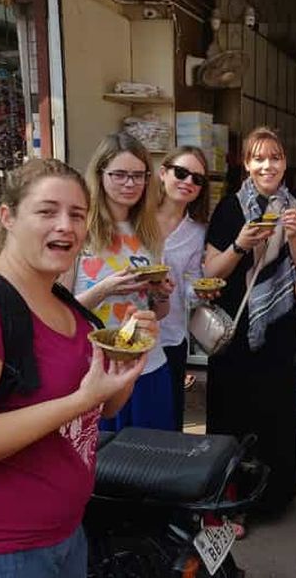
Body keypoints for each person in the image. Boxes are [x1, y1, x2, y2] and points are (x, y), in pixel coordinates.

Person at [0, 159, 152, 577]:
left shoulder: (66, 306)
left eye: (77, 215)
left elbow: (104, 410)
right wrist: (79, 399)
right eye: (47, 212)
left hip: (63, 538)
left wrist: (125, 359)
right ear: (8, 218)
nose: (65, 225)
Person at [204, 126, 296, 525]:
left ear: (285, 162)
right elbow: (211, 272)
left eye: (276, 157)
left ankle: (274, 497)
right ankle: (228, 501)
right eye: (259, 157)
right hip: (234, 329)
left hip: (280, 327)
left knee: (275, 414)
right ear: (247, 164)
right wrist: (240, 245)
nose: (268, 165)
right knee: (232, 413)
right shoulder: (230, 208)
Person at [65, 132, 174, 431]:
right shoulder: (78, 230)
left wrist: (161, 294)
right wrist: (105, 289)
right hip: (94, 372)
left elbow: (158, 313)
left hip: (148, 365)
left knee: (153, 466)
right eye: (120, 175)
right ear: (100, 175)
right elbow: (58, 312)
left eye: (138, 176)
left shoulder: (150, 233)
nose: (130, 184)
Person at [155, 146, 210, 431]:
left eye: (197, 179)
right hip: (125, 332)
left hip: (171, 336)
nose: (188, 182)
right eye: (181, 173)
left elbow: (190, 286)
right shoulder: (135, 220)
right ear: (163, 173)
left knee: (169, 417)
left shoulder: (197, 232)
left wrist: (200, 291)